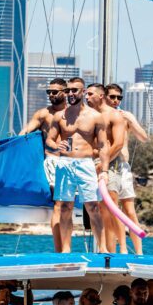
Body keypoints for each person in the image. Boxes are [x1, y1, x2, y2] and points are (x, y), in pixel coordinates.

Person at [45, 77, 110, 253]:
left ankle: (103, 248)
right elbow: (49, 139)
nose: (71, 94)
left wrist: (104, 170)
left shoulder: (96, 117)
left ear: (83, 92)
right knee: (65, 207)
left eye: (74, 90)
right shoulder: (60, 116)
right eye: (68, 91)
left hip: (86, 164)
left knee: (93, 206)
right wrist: (56, 145)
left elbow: (103, 146)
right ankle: (66, 249)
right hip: (65, 163)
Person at [20, 77, 67, 252]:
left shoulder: (74, 113)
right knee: (59, 204)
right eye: (49, 92)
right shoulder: (43, 114)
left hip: (74, 162)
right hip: (53, 162)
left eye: (55, 92)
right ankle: (60, 250)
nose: (51, 95)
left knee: (69, 206)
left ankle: (67, 247)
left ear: (65, 92)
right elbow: (23, 133)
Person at [105, 84, 148, 254]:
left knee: (130, 211)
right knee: (113, 211)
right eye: (112, 97)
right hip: (108, 167)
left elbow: (144, 137)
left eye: (119, 98)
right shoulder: (100, 116)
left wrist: (130, 121)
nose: (116, 101)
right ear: (105, 97)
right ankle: (118, 249)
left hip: (124, 167)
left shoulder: (125, 115)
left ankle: (139, 252)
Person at [85, 83, 127, 253]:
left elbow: (118, 144)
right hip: (90, 164)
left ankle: (123, 249)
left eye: (89, 94)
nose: (86, 97)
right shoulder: (87, 115)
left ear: (100, 96)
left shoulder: (114, 116)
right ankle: (106, 249)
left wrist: (103, 165)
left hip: (111, 164)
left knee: (112, 205)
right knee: (100, 209)